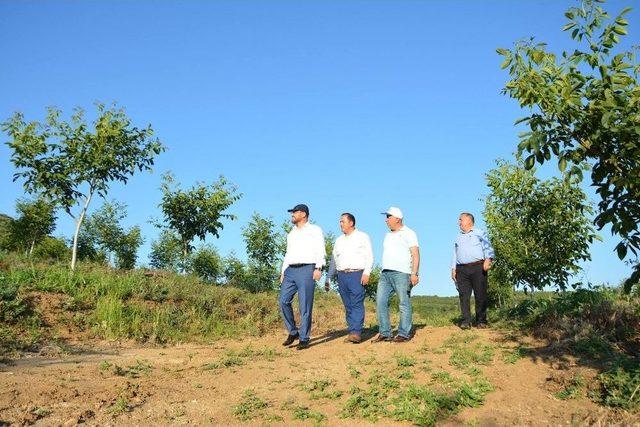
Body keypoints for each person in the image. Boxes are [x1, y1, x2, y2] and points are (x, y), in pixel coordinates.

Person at [279, 204, 325, 350]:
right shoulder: (291, 233)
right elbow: (288, 253)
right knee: (283, 301)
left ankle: (304, 338)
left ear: (303, 214)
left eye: (294, 212)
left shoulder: (315, 230)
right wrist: (282, 271)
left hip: (307, 268)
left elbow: (320, 249)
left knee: (305, 305)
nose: (292, 214)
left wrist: (319, 267)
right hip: (290, 270)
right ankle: (293, 332)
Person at [325, 213, 374, 344]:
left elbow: (370, 256)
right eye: (340, 221)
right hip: (342, 275)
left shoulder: (362, 237)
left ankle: (356, 333)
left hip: (357, 273)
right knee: (348, 304)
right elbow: (334, 260)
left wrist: (367, 273)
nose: (340, 224)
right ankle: (352, 330)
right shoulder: (339, 240)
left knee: (356, 302)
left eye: (343, 221)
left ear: (351, 223)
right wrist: (328, 277)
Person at [373, 207, 420, 343]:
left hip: (402, 273)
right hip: (385, 273)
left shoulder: (409, 233)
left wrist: (414, 273)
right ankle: (385, 332)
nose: (386, 220)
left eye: (388, 216)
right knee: (381, 301)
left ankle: (403, 333)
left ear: (397, 218)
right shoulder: (387, 235)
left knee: (403, 303)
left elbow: (415, 254)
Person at [451, 212, 495, 329]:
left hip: (478, 267)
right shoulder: (458, 237)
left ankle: (481, 320)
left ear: (469, 221)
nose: (459, 222)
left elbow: (488, 247)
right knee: (463, 295)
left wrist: (488, 260)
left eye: (461, 220)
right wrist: (453, 268)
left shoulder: (480, 233)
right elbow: (455, 253)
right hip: (461, 269)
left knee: (480, 294)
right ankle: (466, 321)